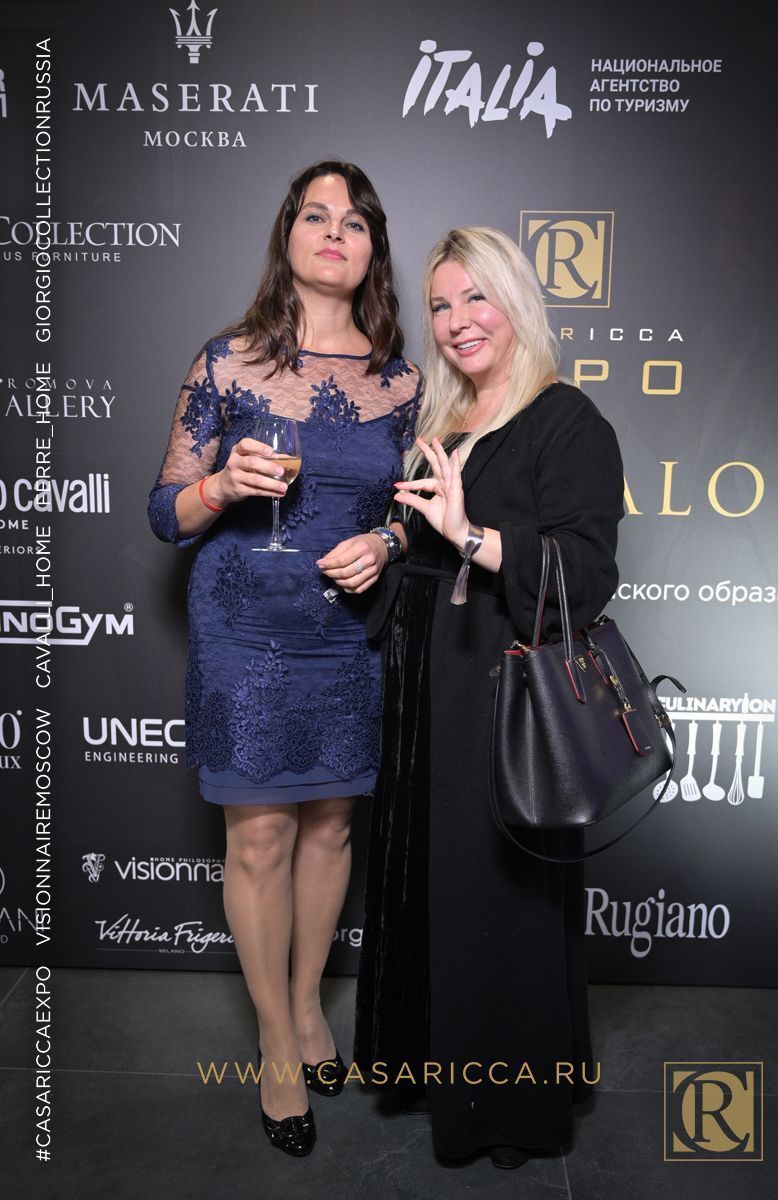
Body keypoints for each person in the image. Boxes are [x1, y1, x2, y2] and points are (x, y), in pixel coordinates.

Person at [148, 161, 420, 1157]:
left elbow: (417, 517)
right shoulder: (226, 362)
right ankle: (275, 1042)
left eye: (354, 221)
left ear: (371, 248)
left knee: (332, 827)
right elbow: (165, 512)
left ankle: (308, 1005)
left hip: (345, 633)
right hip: (243, 630)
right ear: (289, 236)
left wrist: (385, 542)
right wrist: (222, 486)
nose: (334, 232)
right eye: (316, 215)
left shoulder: (404, 381)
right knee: (259, 838)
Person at [354, 227, 624, 1168]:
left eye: (476, 296)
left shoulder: (566, 420)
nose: (456, 320)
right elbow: (420, 532)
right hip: (427, 689)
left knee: (499, 901)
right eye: (440, 304)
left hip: (503, 701)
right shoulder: (444, 416)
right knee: (432, 886)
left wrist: (474, 536)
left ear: (516, 302)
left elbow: (584, 574)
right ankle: (432, 1068)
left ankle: (507, 1108)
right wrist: (384, 545)